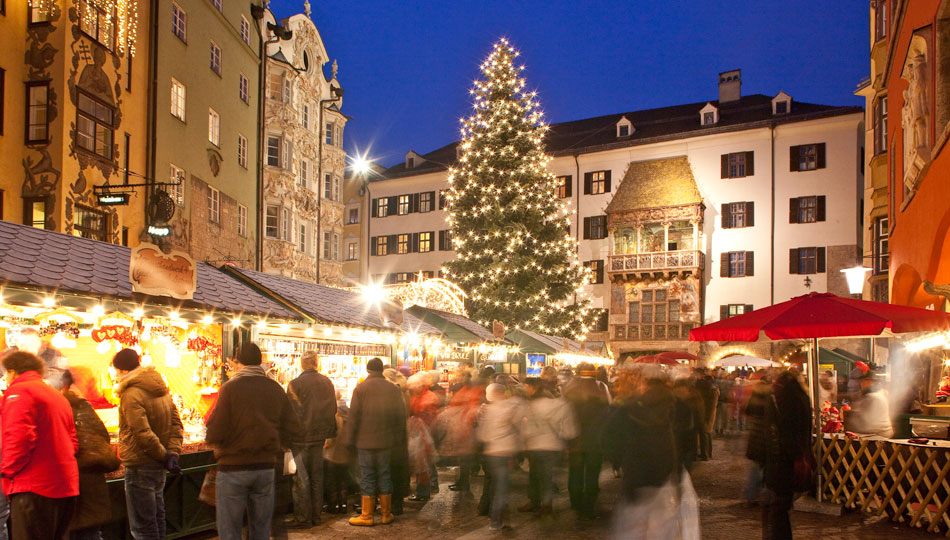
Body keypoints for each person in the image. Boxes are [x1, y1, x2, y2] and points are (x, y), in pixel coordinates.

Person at [205, 344, 301, 540]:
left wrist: (215, 442)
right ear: (259, 362)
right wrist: (279, 440)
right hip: (265, 467)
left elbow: (216, 429)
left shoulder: (230, 388)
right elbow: (293, 425)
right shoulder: (274, 388)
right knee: (261, 529)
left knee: (229, 529)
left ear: (239, 363)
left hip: (233, 468)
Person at [1, 351, 79, 540]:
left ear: (13, 371)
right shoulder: (56, 395)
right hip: (64, 485)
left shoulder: (19, 392)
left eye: (5, 374)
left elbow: (19, 437)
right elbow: (73, 441)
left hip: (34, 487)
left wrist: (6, 470)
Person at [113, 348, 183, 540]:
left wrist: (165, 455)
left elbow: (142, 432)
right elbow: (177, 424)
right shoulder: (160, 387)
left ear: (124, 371)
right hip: (158, 465)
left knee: (143, 526)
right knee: (157, 519)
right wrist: (172, 453)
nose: (116, 375)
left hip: (140, 464)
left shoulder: (130, 393)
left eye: (116, 371)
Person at [345, 358, 407, 527]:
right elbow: (400, 416)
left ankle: (367, 516)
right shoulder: (393, 389)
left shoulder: (361, 389)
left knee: (367, 477)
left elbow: (353, 417)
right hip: (386, 442)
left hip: (364, 442)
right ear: (381, 370)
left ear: (368, 370)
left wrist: (349, 440)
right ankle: (386, 514)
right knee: (385, 474)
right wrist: (399, 439)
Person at [63, 371, 119, 540]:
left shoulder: (60, 407)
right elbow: (103, 436)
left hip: (72, 484)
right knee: (91, 532)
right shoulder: (83, 406)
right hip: (92, 483)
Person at [285, 351, 337, 529]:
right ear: (316, 363)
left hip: (300, 438)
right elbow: (332, 409)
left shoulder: (295, 384)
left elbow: (290, 413)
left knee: (301, 478)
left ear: (302, 364)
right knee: (317, 477)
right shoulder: (327, 382)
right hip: (319, 437)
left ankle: (303, 517)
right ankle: (316, 516)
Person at [762, 371, 812, 540]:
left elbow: (786, 434)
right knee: (780, 505)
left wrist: (795, 457)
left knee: (778, 507)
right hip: (793, 459)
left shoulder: (784, 401)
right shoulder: (802, 397)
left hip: (782, 461)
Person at [519, 378, 576, 515]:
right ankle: (545, 503)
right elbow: (568, 429)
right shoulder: (559, 405)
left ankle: (538, 502)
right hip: (552, 445)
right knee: (545, 475)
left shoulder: (531, 405)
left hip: (535, 445)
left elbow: (525, 427)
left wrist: (523, 443)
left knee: (536, 475)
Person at [562, 361, 611, 520]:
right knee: (592, 472)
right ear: (594, 373)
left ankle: (576, 502)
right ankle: (589, 504)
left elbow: (563, 413)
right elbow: (609, 411)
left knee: (575, 472)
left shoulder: (570, 388)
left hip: (575, 438)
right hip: (595, 439)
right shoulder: (601, 388)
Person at [476, 384, 523, 531]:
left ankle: (492, 514)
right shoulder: (509, 408)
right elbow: (518, 428)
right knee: (501, 489)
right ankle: (496, 521)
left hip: (491, 452)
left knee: (493, 485)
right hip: (504, 452)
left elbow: (482, 434)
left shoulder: (486, 410)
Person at [407, 372, 440, 502]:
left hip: (425, 433)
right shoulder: (417, 395)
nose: (414, 389)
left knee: (424, 463)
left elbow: (430, 415)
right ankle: (425, 488)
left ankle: (424, 491)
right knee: (422, 463)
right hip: (419, 432)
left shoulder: (429, 397)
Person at [382, 367, 411, 515]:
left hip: (393, 437)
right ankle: (396, 502)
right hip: (400, 437)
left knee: (392, 471)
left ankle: (392, 504)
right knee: (397, 470)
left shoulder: (395, 393)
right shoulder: (403, 391)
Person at [845, 371, 893, 438]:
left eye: (865, 381)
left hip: (877, 434)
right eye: (861, 381)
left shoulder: (872, 396)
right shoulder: (881, 391)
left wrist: (849, 413)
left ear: (872, 382)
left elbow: (861, 417)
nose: (862, 384)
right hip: (884, 432)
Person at [694, 372, 719, 460]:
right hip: (708, 414)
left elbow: (709, 405)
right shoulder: (713, 389)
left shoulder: (710, 391)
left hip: (706, 414)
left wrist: (705, 416)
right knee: (707, 433)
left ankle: (705, 454)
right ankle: (707, 453)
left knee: (704, 433)